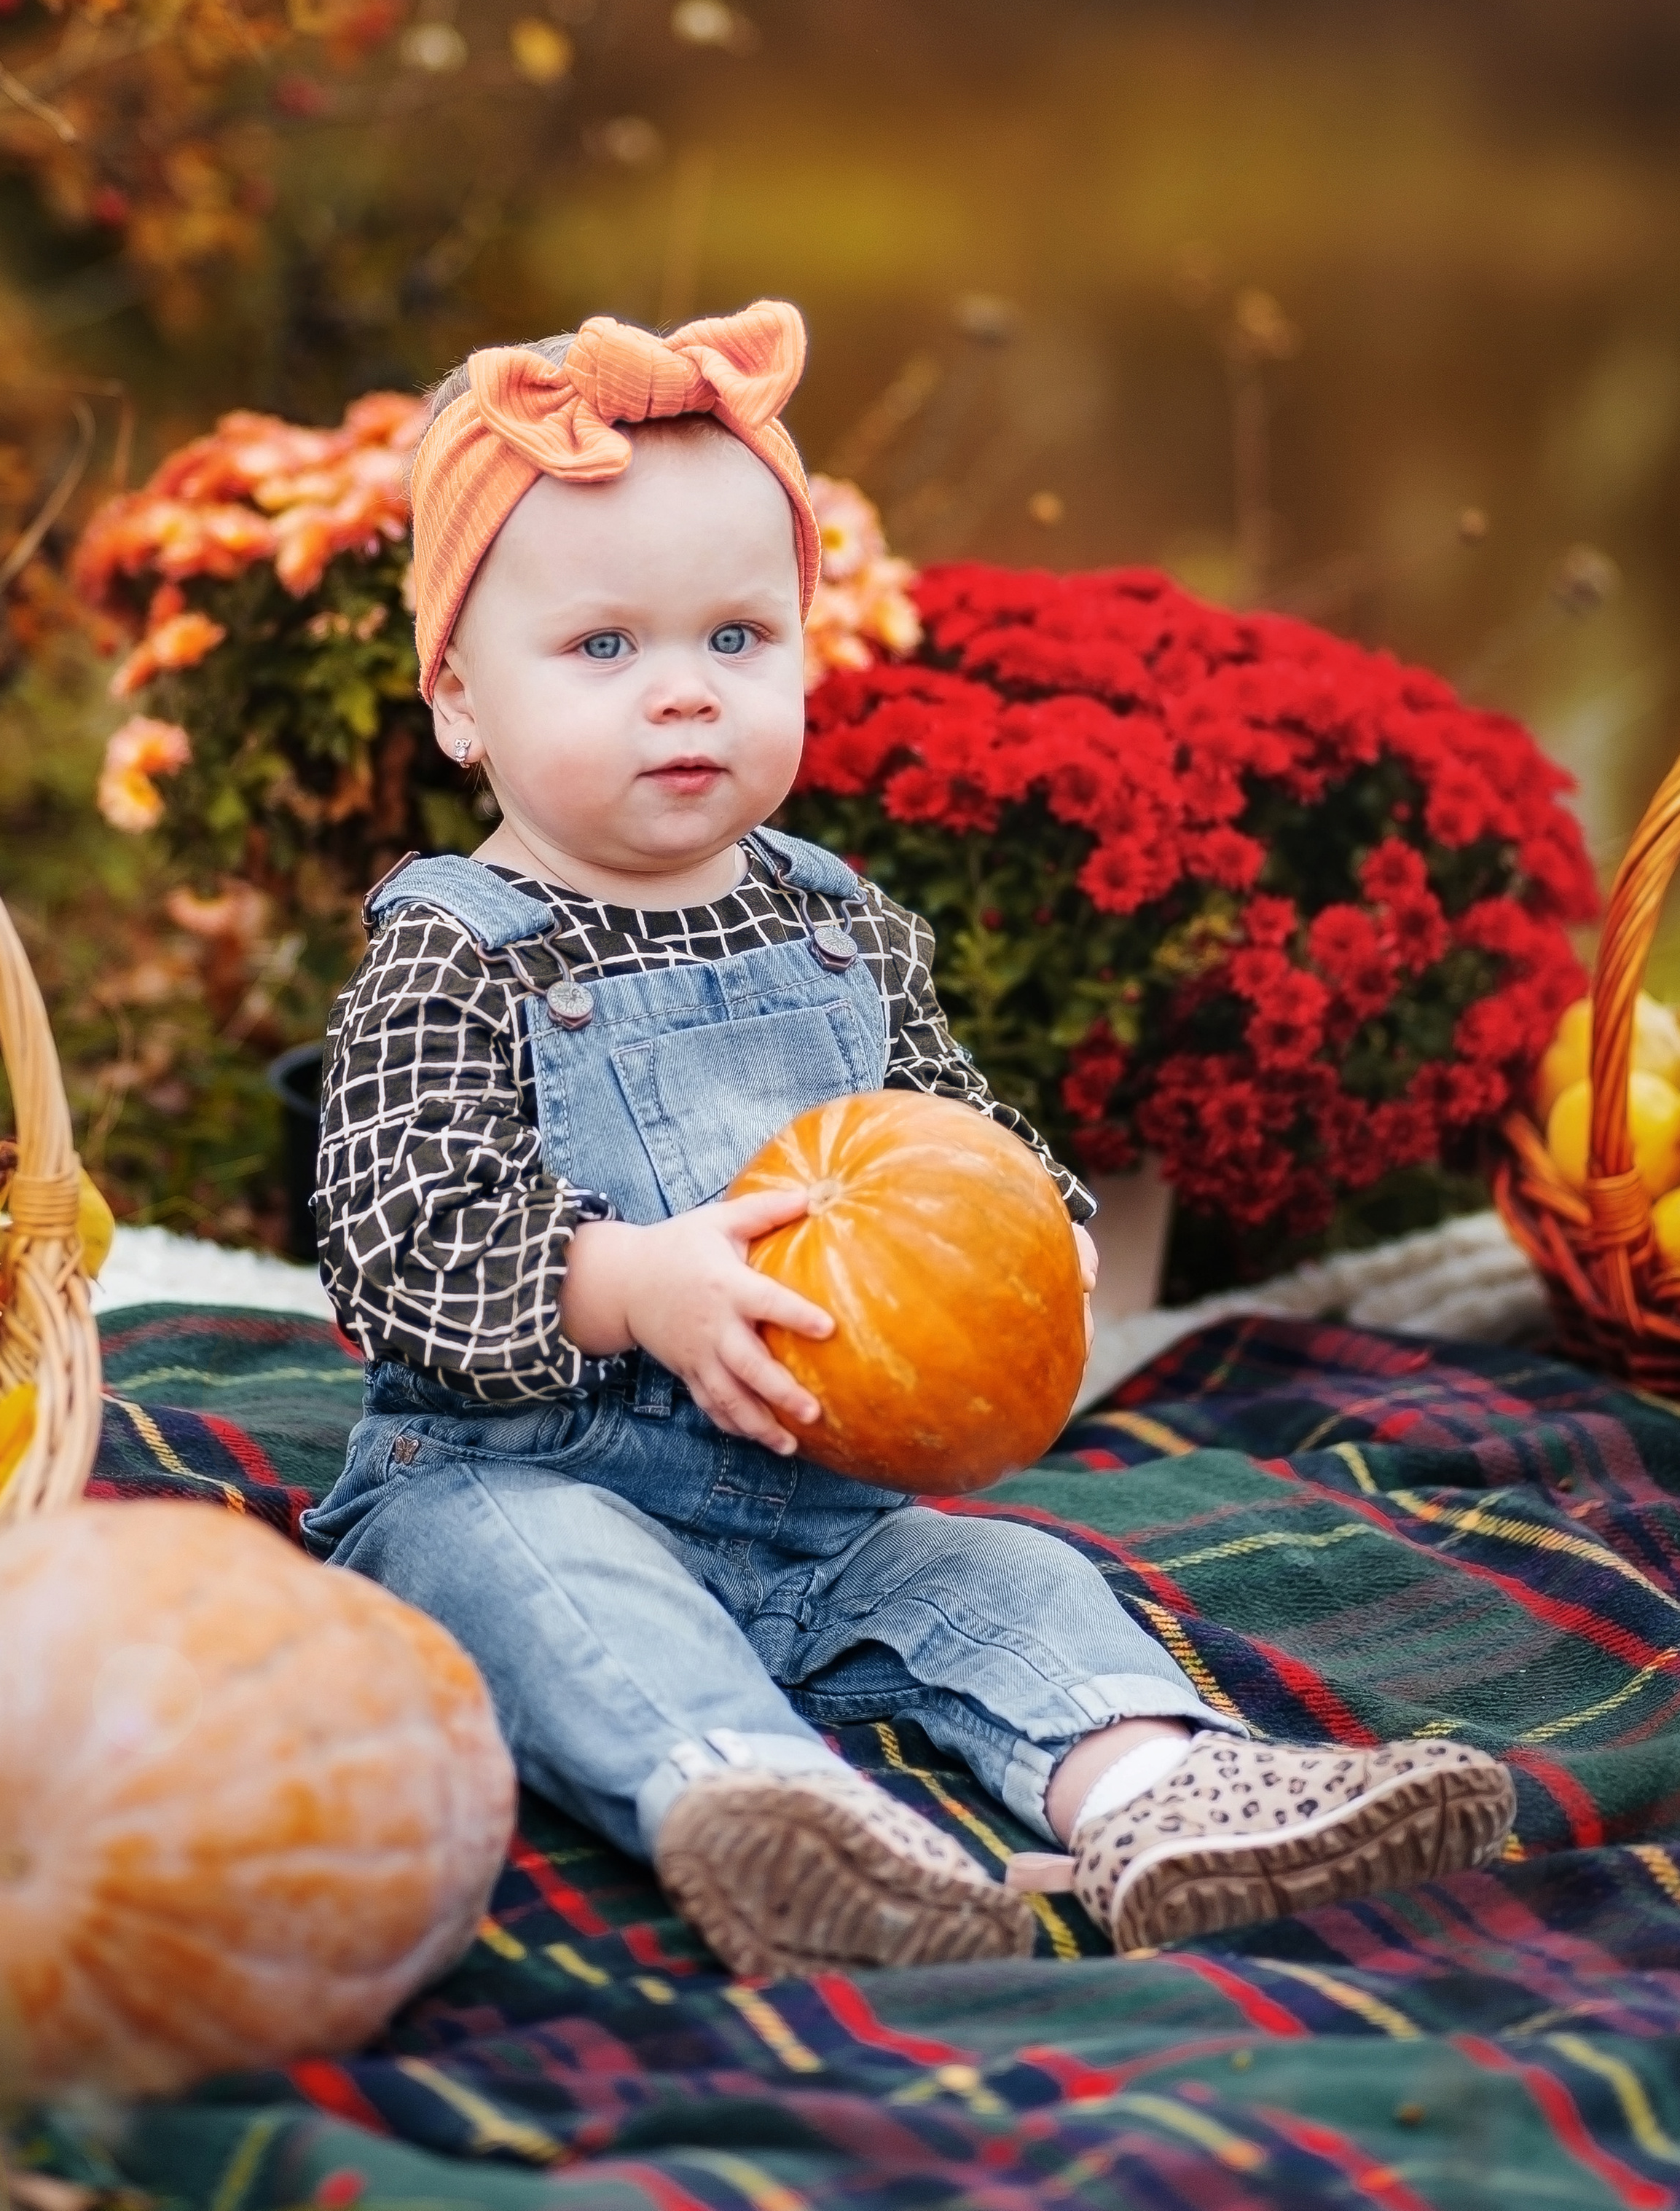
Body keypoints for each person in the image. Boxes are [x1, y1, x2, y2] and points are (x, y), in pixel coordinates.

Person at [303, 300, 1515, 1972]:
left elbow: (947, 1116)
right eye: (603, 649)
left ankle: (1157, 1792)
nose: (682, 697)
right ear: (457, 699)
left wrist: (1035, 1219)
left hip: (826, 1503)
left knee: (1007, 1579)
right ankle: (773, 1811)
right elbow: (393, 1247)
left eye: (736, 639)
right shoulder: (452, 946)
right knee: (540, 1583)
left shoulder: (835, 923)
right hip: (521, 1471)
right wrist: (631, 1285)